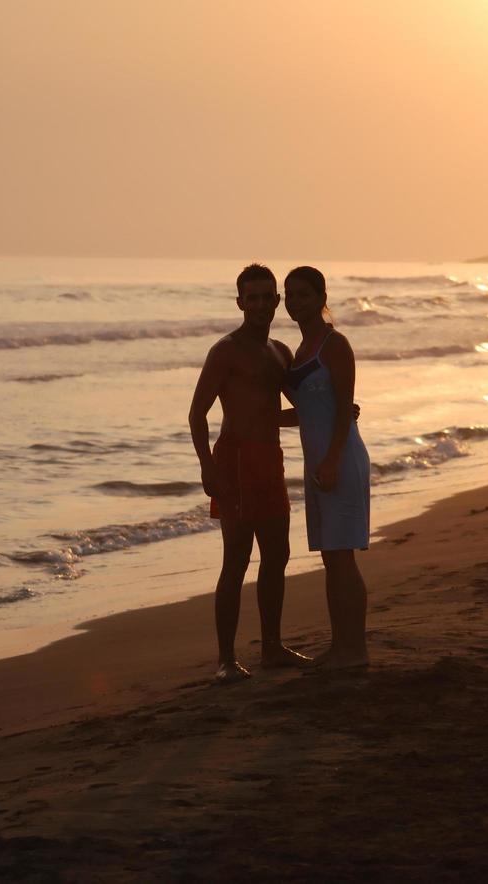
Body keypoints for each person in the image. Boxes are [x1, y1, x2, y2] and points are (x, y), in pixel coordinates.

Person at [188, 264, 311, 683]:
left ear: (277, 301)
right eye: (251, 298)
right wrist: (207, 465)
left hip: (269, 460)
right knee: (236, 559)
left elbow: (293, 410)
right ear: (240, 303)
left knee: (277, 555)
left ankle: (272, 648)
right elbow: (197, 414)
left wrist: (334, 410)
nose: (260, 304)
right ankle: (225, 659)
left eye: (266, 297)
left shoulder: (280, 352)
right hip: (235, 460)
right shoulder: (226, 350)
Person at [284, 266, 370, 670]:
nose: (295, 301)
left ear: (321, 298)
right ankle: (340, 647)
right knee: (331, 559)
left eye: (303, 293)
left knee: (343, 557)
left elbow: (343, 412)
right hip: (317, 464)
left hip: (341, 459)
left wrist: (333, 459)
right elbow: (307, 411)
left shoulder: (334, 344)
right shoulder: (299, 353)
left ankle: (355, 650)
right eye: (290, 295)